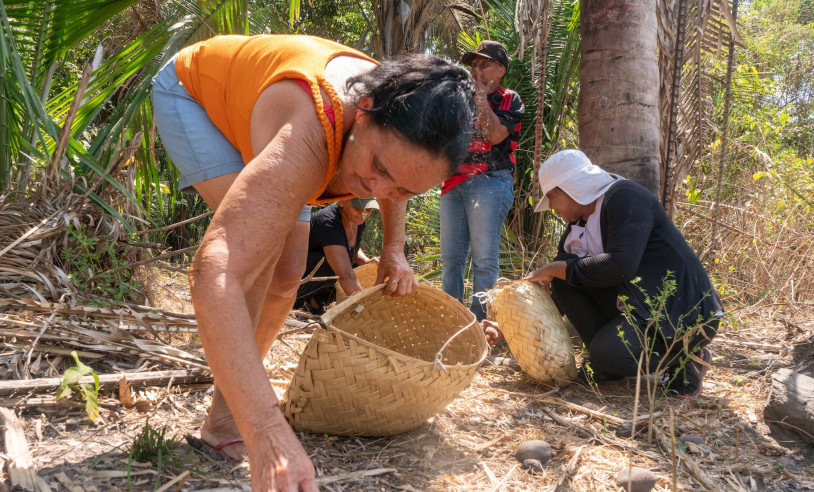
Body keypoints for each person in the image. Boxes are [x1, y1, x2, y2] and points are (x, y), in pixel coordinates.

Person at [151, 34, 473, 491]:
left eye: (403, 189)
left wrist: (393, 248)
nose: (378, 191)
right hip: (195, 97)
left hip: (284, 127)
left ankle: (229, 417)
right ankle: (228, 425)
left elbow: (396, 174)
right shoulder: (312, 130)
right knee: (257, 260)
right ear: (363, 110)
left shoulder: (398, 123)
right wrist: (268, 431)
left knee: (287, 275)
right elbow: (214, 271)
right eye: (376, 167)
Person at [485, 149, 722, 398]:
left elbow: (620, 266)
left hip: (681, 316)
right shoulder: (578, 226)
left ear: (568, 189)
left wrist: (552, 269)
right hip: (640, 309)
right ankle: (609, 367)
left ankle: (686, 359)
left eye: (552, 198)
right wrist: (508, 324)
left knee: (604, 349)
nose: (552, 208)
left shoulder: (626, 198)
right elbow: (563, 290)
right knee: (565, 277)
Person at [440, 41, 525, 321]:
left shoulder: (509, 99)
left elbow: (496, 135)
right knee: (451, 261)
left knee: (484, 261)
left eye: (484, 64)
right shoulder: (458, 97)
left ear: (500, 70)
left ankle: (481, 326)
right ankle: (453, 324)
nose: (476, 70)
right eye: (473, 65)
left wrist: (480, 97)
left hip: (489, 181)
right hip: (453, 183)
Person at [296, 198, 379, 313]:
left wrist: (365, 261)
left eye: (369, 208)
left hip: (317, 276)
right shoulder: (328, 222)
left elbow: (349, 248)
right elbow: (345, 276)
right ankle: (303, 302)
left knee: (358, 268)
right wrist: (365, 310)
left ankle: (316, 301)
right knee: (339, 266)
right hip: (296, 280)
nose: (364, 213)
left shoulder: (357, 219)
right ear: (341, 202)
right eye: (358, 208)